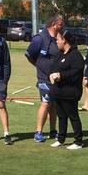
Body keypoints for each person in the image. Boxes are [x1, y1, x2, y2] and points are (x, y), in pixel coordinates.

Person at [25, 13, 64, 142]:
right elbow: (29, 54)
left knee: (53, 104)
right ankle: (38, 132)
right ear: (54, 25)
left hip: (56, 78)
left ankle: (53, 131)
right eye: (60, 24)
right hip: (43, 78)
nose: (62, 26)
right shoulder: (39, 39)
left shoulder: (59, 38)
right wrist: (38, 65)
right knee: (46, 103)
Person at [49, 29, 85, 149]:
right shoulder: (59, 54)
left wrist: (61, 75)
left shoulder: (76, 55)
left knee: (73, 116)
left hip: (70, 92)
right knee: (61, 116)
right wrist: (51, 74)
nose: (56, 42)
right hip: (58, 92)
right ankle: (61, 138)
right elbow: (53, 67)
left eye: (58, 39)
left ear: (64, 40)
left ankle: (78, 141)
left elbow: (76, 72)